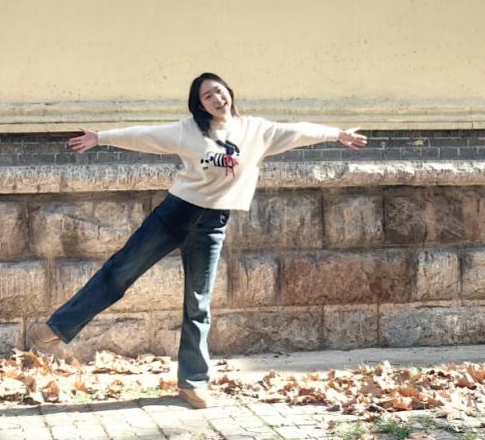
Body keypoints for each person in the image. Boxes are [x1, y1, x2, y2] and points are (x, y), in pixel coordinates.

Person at [26, 72, 367, 409]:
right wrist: (101, 138)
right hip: (175, 213)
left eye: (219, 91)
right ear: (200, 105)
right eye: (208, 96)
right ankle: (57, 327)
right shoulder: (188, 130)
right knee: (121, 271)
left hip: (213, 224)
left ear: (229, 92)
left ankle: (193, 383)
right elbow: (146, 136)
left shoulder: (256, 130)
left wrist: (337, 134)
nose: (217, 99)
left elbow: (298, 131)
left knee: (198, 303)